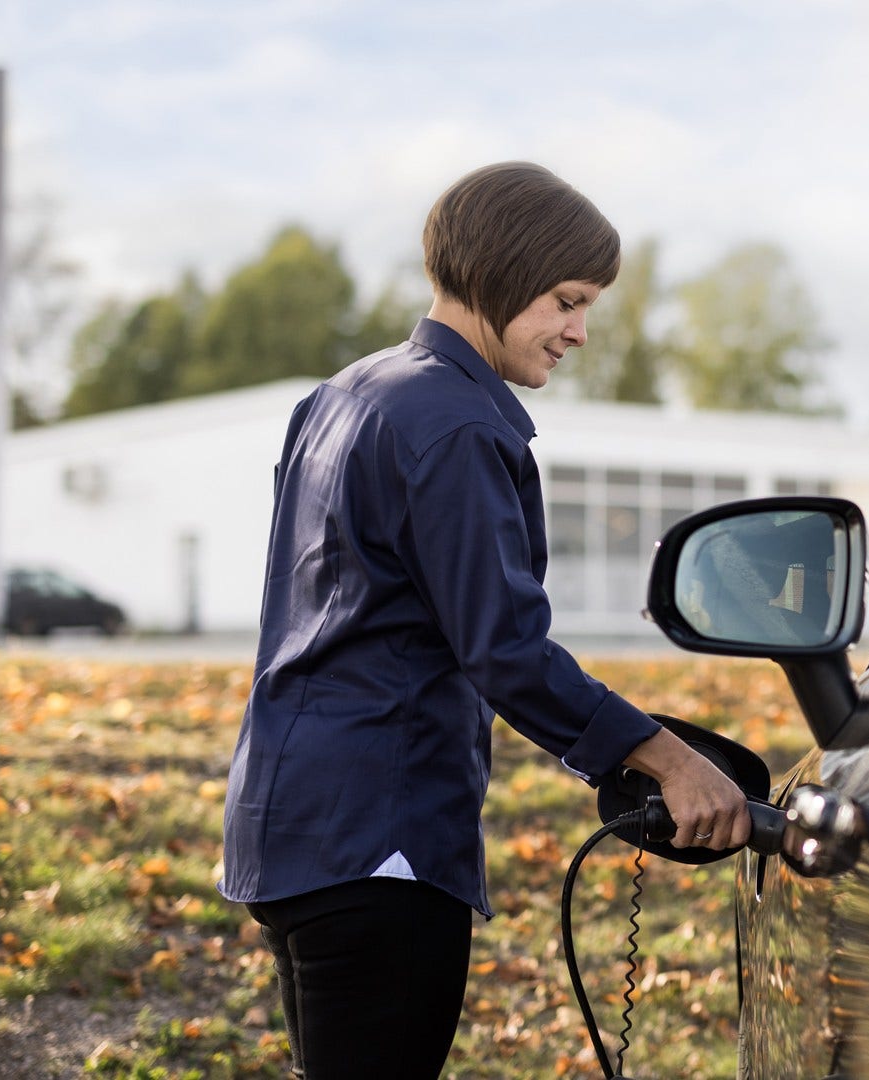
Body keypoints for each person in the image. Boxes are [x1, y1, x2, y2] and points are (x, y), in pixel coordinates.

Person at [219, 161, 751, 1079]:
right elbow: (503, 647)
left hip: (291, 821)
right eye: (565, 301)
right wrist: (666, 757)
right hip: (378, 842)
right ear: (502, 275)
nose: (579, 332)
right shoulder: (457, 423)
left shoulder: (347, 393)